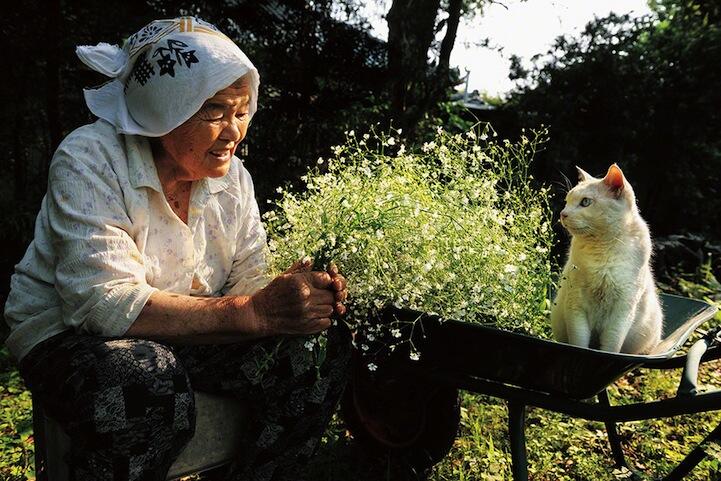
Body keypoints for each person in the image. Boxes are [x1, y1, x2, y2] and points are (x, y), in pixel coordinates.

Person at [4, 17, 350, 481]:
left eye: (242, 111)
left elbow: (248, 277)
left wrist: (290, 298)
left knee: (317, 353)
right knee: (146, 379)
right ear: (164, 108)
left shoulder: (233, 180)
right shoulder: (90, 157)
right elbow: (101, 305)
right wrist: (254, 312)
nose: (234, 131)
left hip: (188, 326)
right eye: (215, 111)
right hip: (67, 333)